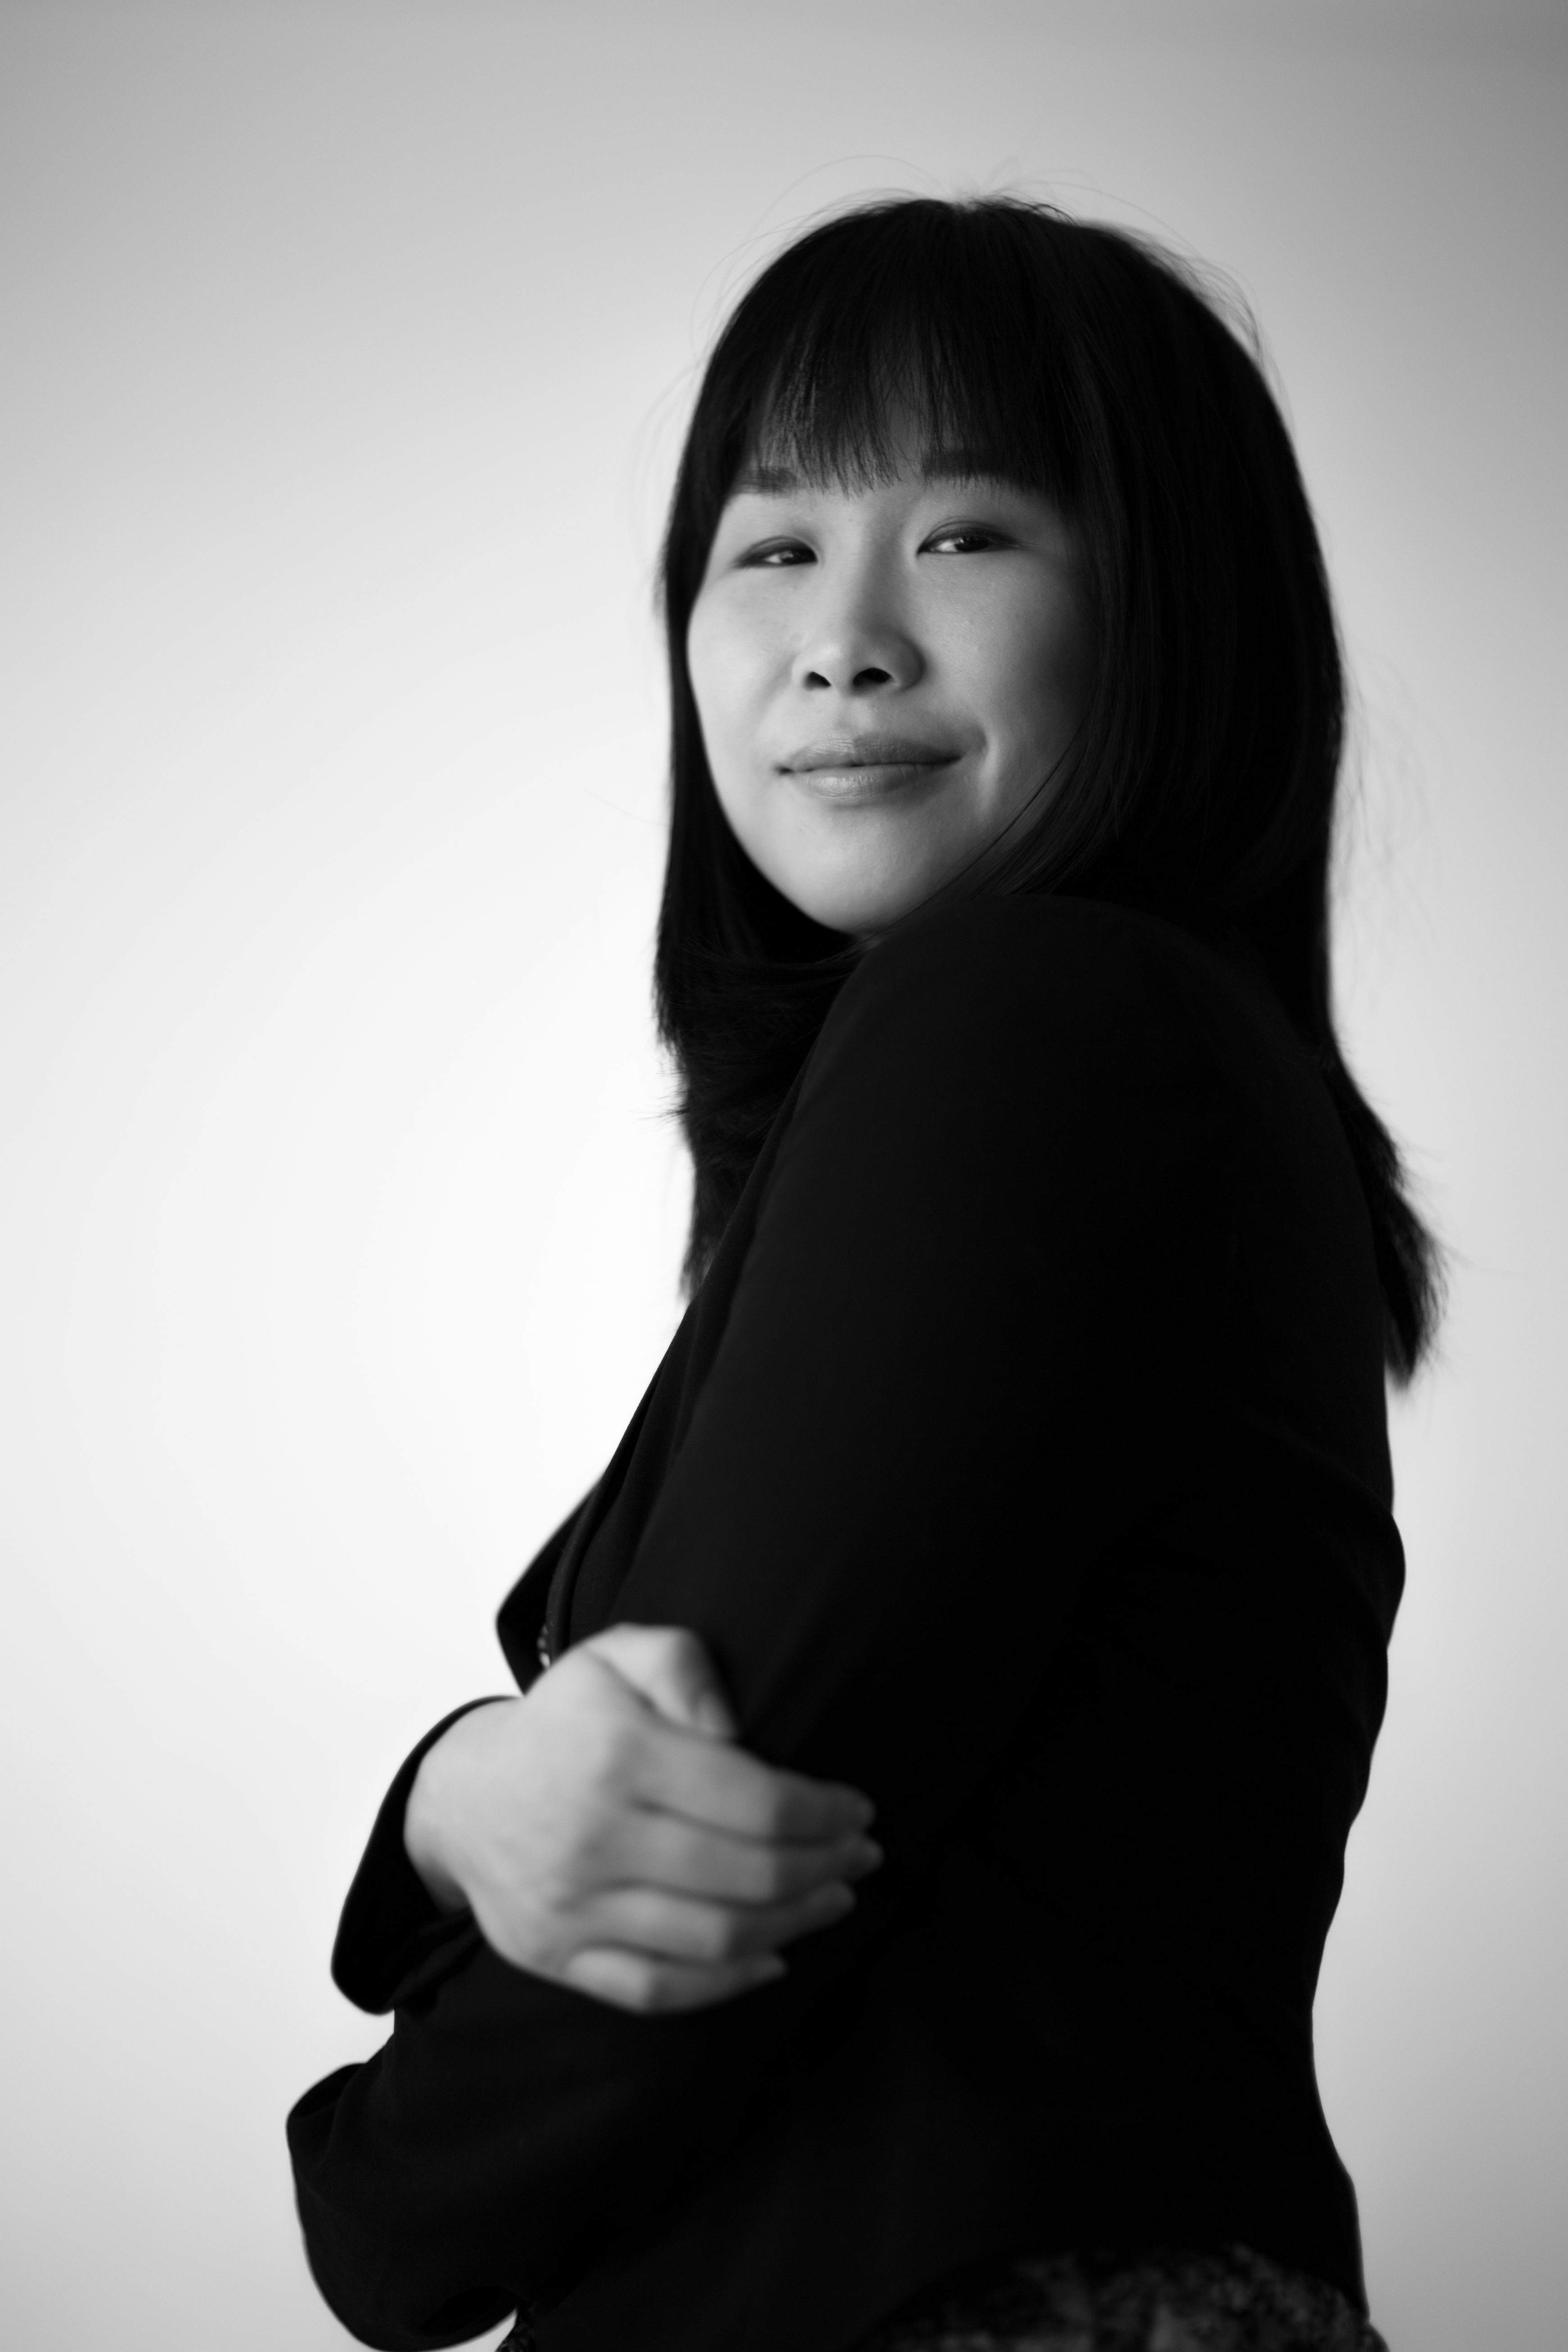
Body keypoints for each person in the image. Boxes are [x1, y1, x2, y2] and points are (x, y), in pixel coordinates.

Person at [287, 195, 1441, 2352]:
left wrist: (363, 2193)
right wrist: (453, 1798)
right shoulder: (1108, 1070)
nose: (844, 639)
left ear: (1171, 612)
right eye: (772, 544)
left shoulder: (1036, 1015)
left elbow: (704, 1877)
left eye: (969, 532)